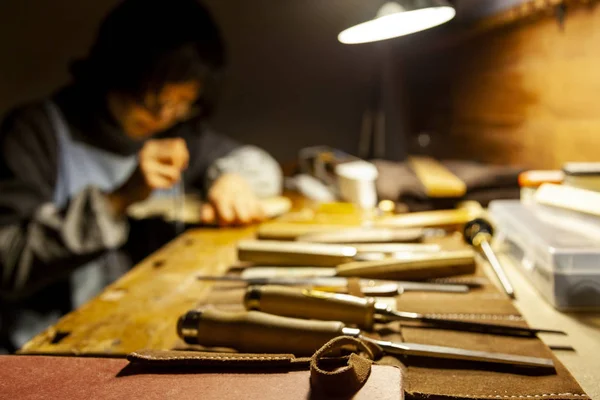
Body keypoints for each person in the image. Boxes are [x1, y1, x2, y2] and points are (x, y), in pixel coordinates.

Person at [0, 0, 282, 352]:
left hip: (145, 334)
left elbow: (257, 163)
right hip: (47, 353)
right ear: (114, 72)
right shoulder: (38, 132)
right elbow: (7, 261)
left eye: (182, 103)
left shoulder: (178, 131)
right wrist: (116, 201)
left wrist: (231, 178)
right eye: (153, 101)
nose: (165, 117)